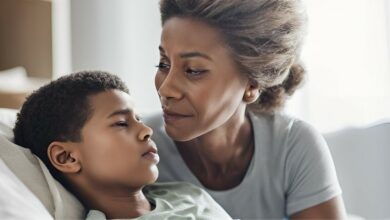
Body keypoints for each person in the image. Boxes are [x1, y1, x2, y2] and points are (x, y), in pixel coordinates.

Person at [145, 0, 347, 219]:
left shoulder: (293, 147)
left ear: (251, 84)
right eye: (164, 64)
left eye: (193, 70)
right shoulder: (136, 148)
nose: (166, 89)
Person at [13, 71, 231, 220]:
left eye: (139, 119)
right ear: (67, 158)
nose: (146, 131)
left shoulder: (186, 194)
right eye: (121, 123)